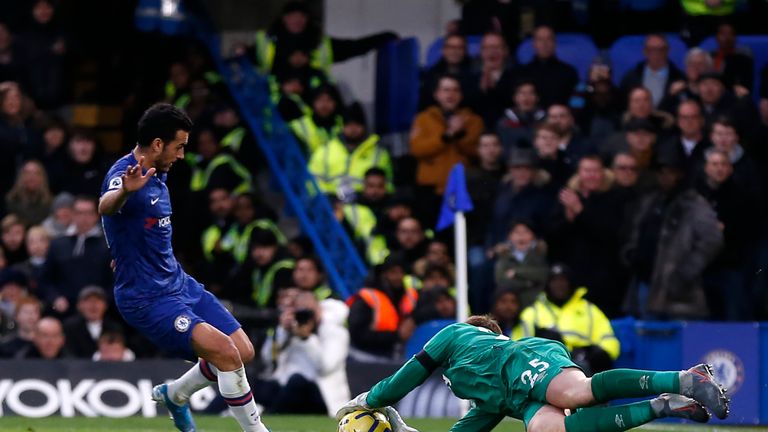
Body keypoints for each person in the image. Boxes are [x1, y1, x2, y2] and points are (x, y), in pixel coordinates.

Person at [98, 104, 269, 431]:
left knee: (243, 351)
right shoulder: (125, 176)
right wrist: (123, 192)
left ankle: (175, 394)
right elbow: (105, 206)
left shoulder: (159, 174)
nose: (181, 155)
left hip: (178, 283)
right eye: (179, 147)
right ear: (158, 144)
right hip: (147, 298)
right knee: (226, 354)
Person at [337, 315, 729, 432]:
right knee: (546, 431)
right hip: (520, 394)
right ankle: (663, 405)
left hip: (526, 360)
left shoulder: (457, 334)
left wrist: (370, 400)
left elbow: (408, 376)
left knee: (575, 394)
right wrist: (403, 430)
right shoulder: (484, 403)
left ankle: (686, 378)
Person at [623, 152, 723, 320]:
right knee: (648, 339)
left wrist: (685, 272)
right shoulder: (651, 200)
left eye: (670, 172)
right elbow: (635, 231)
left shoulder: (694, 204)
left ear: (680, 174)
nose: (665, 177)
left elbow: (712, 240)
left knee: (677, 340)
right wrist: (631, 253)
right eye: (661, 172)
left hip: (678, 292)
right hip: (644, 282)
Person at [515, 264, 620, 375]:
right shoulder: (532, 313)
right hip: (546, 368)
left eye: (563, 280)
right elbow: (518, 349)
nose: (559, 285)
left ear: (570, 283)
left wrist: (599, 354)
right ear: (548, 285)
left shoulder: (589, 309)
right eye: (554, 281)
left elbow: (608, 339)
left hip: (584, 365)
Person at [410, 73, 483, 226]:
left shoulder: (473, 120)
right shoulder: (423, 119)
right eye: (446, 90)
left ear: (461, 95)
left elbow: (475, 151)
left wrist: (459, 134)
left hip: (462, 189)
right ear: (437, 94)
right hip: (430, 190)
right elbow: (417, 150)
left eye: (455, 90)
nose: (450, 95)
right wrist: (447, 135)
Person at [40, 195, 112, 317]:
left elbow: (114, 281)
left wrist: (101, 301)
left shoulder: (107, 245)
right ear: (72, 214)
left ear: (96, 216)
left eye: (88, 213)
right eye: (79, 213)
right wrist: (55, 298)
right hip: (64, 310)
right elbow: (45, 279)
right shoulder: (58, 244)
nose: (83, 218)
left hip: (98, 311)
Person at [308, 102, 392, 196]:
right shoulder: (324, 151)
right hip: (330, 205)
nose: (353, 129)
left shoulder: (380, 154)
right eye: (348, 124)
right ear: (342, 126)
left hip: (367, 205)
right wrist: (331, 199)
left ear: (364, 126)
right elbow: (312, 183)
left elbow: (388, 187)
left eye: (357, 124)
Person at [518, 25, 579, 108]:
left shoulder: (569, 72)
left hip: (559, 118)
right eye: (540, 39)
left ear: (555, 43)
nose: (544, 44)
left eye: (549, 39)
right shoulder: (521, 73)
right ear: (533, 44)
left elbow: (576, 103)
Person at [619, 34, 685, 108]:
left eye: (661, 49)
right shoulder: (631, 77)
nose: (656, 54)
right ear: (645, 51)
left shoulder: (680, 78)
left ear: (668, 51)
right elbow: (621, 105)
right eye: (652, 50)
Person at [493, 221, 549, 308]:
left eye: (526, 232)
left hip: (537, 304)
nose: (521, 236)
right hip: (510, 307)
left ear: (533, 235)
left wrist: (516, 272)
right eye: (517, 232)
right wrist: (529, 283)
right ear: (509, 236)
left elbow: (543, 275)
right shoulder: (504, 255)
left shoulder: (541, 253)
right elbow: (501, 280)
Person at [62, 285, 122, 358]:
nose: (93, 305)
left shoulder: (114, 328)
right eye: (88, 301)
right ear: (79, 305)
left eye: (98, 301)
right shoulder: (69, 327)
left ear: (105, 305)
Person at [5, 160, 53, 225]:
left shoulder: (50, 203)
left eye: (36, 173)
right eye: (27, 173)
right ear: (21, 177)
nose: (31, 177)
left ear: (42, 178)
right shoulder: (10, 201)